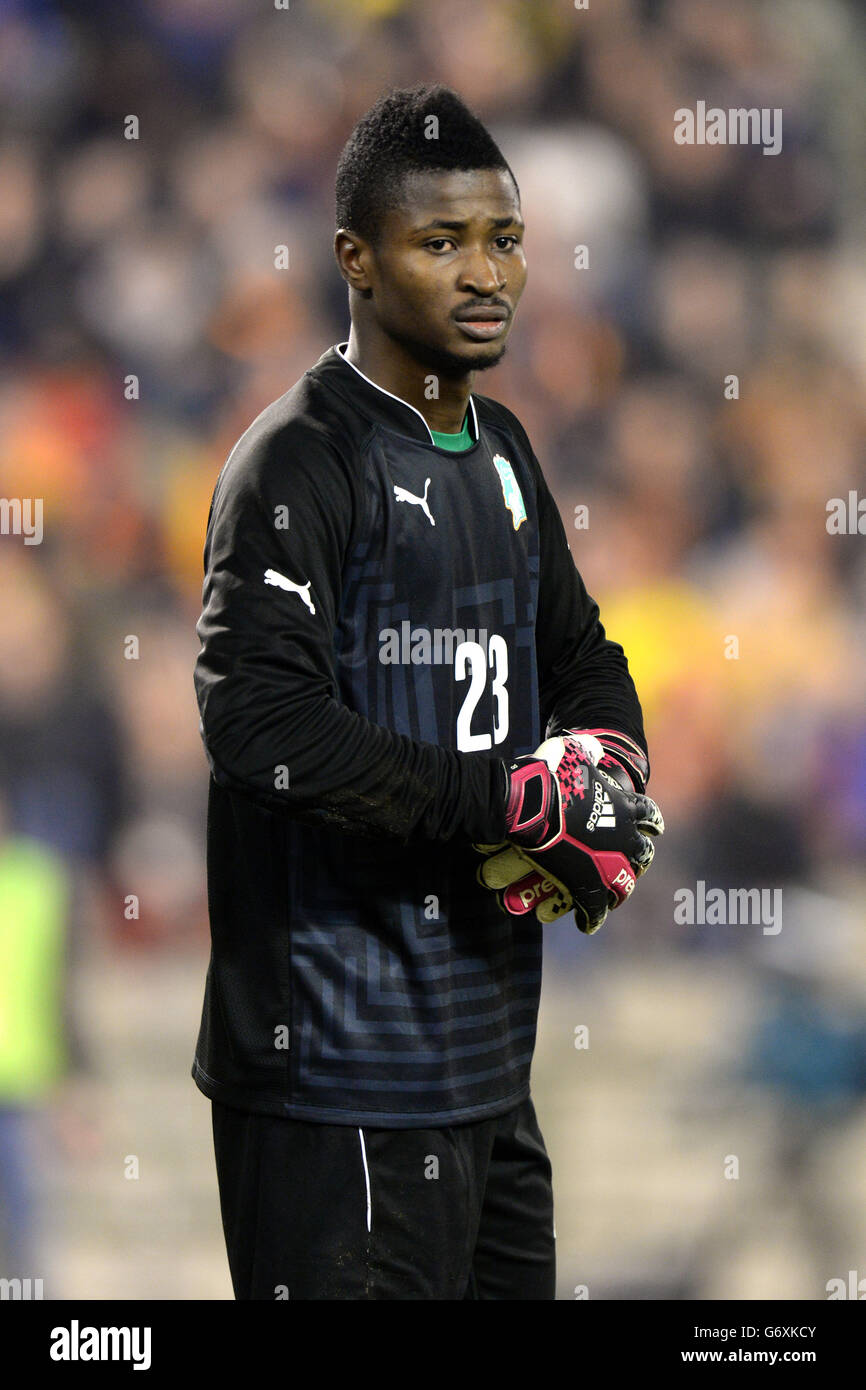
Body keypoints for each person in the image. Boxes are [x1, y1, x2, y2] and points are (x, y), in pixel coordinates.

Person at [192, 84, 663, 1301]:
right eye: (439, 241)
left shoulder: (503, 446)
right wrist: (512, 801)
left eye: (502, 239)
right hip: (333, 1079)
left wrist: (607, 771)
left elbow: (584, 657)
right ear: (354, 257)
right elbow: (262, 731)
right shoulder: (294, 461)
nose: (485, 272)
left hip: (484, 1071)